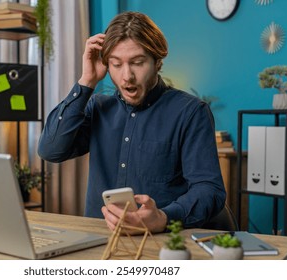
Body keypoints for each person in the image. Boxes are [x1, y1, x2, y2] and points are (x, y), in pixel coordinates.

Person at [38, 11, 226, 233]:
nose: (127, 76)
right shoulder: (97, 108)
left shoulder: (191, 112)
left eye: (137, 62)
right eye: (116, 64)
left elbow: (209, 190)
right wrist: (86, 81)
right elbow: (50, 150)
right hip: (99, 240)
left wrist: (163, 218)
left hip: (162, 242)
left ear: (157, 62)